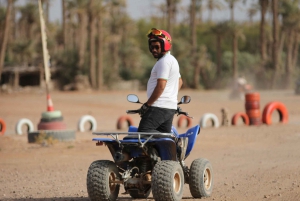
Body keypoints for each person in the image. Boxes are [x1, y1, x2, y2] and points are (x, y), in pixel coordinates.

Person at [138, 28, 183, 133]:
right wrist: (170, 97)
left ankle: (173, 140)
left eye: (157, 47)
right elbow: (180, 81)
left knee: (143, 132)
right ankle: (173, 144)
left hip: (159, 106)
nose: (153, 50)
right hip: (169, 107)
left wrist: (147, 104)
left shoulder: (164, 62)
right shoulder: (172, 60)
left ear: (165, 45)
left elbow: (161, 86)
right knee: (161, 139)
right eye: (152, 47)